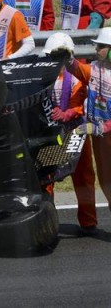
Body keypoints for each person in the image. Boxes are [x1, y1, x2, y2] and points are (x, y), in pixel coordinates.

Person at [43, 33, 97, 236]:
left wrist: (67, 113)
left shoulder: (77, 76)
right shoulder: (43, 76)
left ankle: (88, 222)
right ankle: (48, 222)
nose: (54, 60)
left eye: (59, 56)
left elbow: (81, 105)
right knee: (47, 177)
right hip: (53, 133)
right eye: (52, 56)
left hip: (76, 132)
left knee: (83, 176)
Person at [67, 28, 111, 227]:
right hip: (99, 137)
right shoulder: (94, 68)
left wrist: (102, 128)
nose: (96, 49)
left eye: (101, 46)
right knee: (105, 180)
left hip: (104, 131)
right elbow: (77, 69)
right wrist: (67, 59)